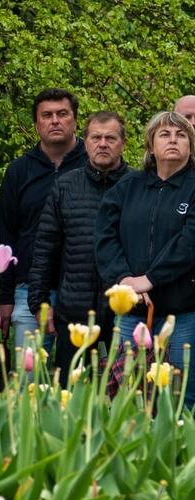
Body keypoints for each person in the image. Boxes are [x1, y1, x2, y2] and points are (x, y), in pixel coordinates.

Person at [96, 111, 195, 407]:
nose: (173, 140)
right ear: (151, 146)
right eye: (165, 135)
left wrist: (150, 279)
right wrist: (125, 280)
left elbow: (189, 243)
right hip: (132, 312)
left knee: (180, 397)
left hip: (183, 312)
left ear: (191, 146)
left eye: (181, 136)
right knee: (129, 393)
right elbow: (104, 237)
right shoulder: (128, 187)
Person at [28, 111, 129, 384]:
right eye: (96, 137)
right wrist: (39, 302)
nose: (103, 144)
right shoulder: (65, 185)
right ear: (85, 143)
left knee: (125, 395)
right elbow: (45, 248)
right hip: (74, 309)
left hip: (125, 313)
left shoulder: (138, 185)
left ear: (123, 143)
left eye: (111, 138)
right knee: (69, 393)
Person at [0, 89, 87, 346]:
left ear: (75, 121)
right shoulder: (19, 171)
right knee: (29, 381)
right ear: (36, 125)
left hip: (82, 292)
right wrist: (6, 298)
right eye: (46, 115)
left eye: (62, 114)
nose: (54, 121)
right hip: (28, 290)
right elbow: (6, 236)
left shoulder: (93, 166)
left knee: (77, 378)